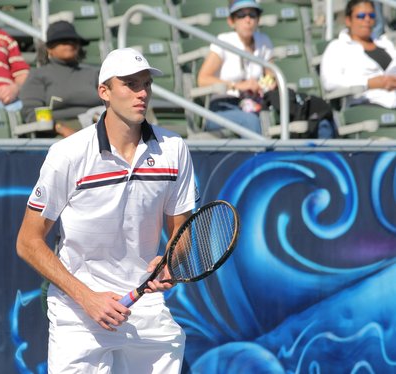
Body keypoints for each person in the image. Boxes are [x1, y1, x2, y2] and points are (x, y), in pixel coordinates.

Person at [16, 47, 197, 373]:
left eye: (146, 84)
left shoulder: (175, 150)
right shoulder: (68, 154)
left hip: (147, 308)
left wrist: (170, 260)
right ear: (105, 92)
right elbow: (28, 242)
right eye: (129, 84)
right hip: (77, 311)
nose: (142, 93)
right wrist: (88, 298)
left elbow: (180, 236)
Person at [197, 0, 274, 136]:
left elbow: (272, 76)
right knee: (251, 121)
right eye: (241, 15)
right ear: (231, 21)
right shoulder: (224, 41)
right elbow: (202, 79)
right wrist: (237, 86)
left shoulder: (264, 41)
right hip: (223, 107)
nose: (248, 20)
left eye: (252, 15)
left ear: (258, 19)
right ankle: (258, 157)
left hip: (255, 103)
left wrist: (267, 84)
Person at [19, 21, 104, 138]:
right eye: (63, 41)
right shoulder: (38, 75)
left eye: (74, 41)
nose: (69, 44)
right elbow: (30, 113)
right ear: (49, 48)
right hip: (58, 133)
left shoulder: (94, 73)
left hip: (98, 127)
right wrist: (61, 129)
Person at [320, 0, 396, 109]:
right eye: (361, 16)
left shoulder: (386, 44)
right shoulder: (337, 47)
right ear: (348, 20)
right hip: (366, 104)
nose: (367, 19)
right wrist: (368, 83)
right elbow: (330, 82)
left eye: (371, 15)